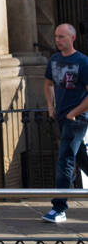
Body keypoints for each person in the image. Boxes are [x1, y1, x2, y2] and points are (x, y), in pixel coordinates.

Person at [42, 22, 88, 223]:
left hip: (77, 120)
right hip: (61, 117)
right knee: (80, 158)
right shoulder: (54, 60)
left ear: (72, 38)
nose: (58, 40)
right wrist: (51, 107)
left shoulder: (83, 62)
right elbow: (48, 84)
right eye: (56, 37)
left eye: (62, 37)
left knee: (65, 160)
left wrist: (74, 113)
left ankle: (59, 208)